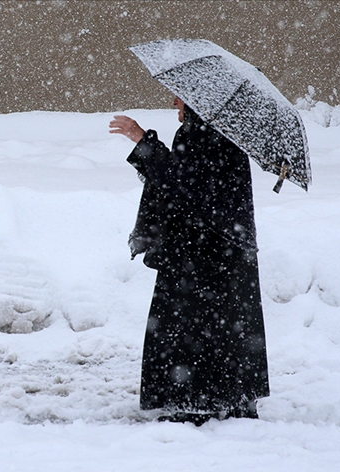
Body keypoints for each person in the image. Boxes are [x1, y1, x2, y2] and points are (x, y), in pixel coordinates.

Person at [109, 97, 269, 425]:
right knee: (222, 327)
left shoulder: (209, 136)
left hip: (204, 255)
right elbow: (185, 181)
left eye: (180, 97)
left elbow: (181, 184)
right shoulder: (213, 133)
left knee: (196, 327)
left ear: (199, 101)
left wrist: (144, 141)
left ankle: (199, 399)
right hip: (215, 251)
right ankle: (227, 396)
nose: (173, 102)